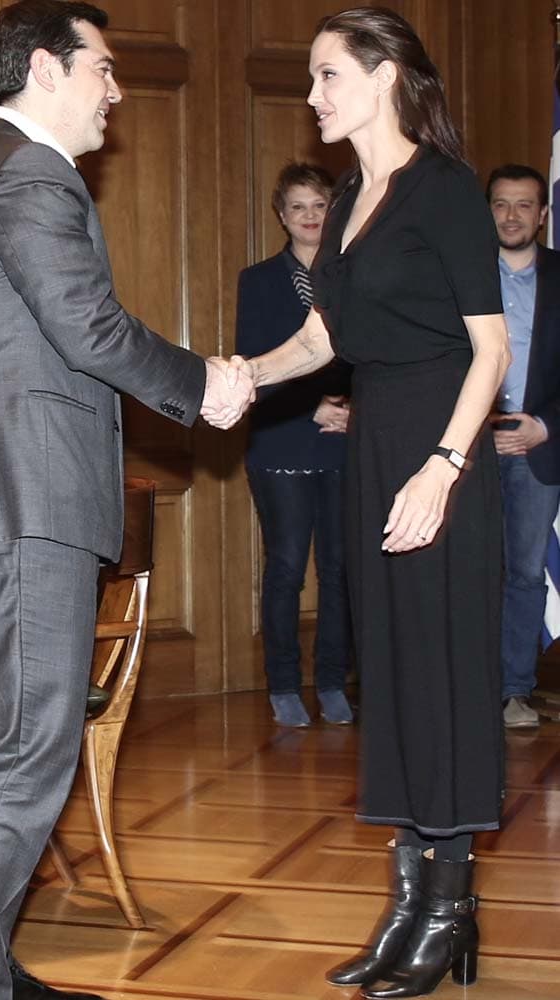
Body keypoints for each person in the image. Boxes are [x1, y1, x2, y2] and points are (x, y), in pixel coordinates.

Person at [0, 3, 252, 999]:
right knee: (24, 752)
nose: (117, 88)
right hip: (24, 504)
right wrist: (201, 384)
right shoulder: (27, 174)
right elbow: (88, 328)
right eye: (103, 67)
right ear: (50, 67)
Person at [225, 7, 510, 997]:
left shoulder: (443, 192)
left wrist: (441, 467)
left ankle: (449, 904)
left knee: (441, 672)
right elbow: (322, 341)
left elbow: (493, 348)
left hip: (439, 450)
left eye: (325, 76)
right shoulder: (349, 196)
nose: (311, 97)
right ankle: (408, 899)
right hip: (376, 447)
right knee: (389, 671)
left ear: (384, 75)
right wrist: (238, 378)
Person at [235, 162, 354, 727]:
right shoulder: (257, 280)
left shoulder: (351, 275)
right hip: (283, 438)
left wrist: (354, 410)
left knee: (339, 569)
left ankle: (332, 681)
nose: (310, 217)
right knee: (286, 567)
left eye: (319, 205)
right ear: (282, 216)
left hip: (347, 440)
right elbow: (254, 360)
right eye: (298, 207)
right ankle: (283, 684)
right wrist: (312, 408)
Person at [486, 164, 560, 729]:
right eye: (501, 204)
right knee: (467, 569)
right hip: (468, 450)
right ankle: (465, 687)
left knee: (525, 573)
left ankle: (513, 689)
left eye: (523, 205)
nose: (511, 216)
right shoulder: (460, 278)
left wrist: (546, 426)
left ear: (542, 215)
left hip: (538, 449)